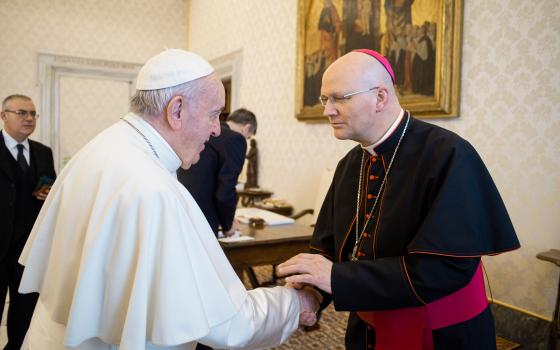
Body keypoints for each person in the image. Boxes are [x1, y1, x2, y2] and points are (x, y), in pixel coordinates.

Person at [17, 49, 320, 350]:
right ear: (176, 111)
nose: (217, 130)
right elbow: (228, 323)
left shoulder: (101, 147)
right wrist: (296, 301)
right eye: (213, 115)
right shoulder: (153, 190)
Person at [277, 49, 520, 349]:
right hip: (367, 330)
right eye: (325, 99)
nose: (327, 110)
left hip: (440, 335)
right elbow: (329, 250)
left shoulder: (448, 154)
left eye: (339, 98)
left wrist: (339, 279)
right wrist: (314, 293)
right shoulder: (351, 164)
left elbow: (442, 270)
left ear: (380, 97)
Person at [0, 94, 56, 350]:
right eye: (22, 113)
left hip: (29, 251)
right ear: (4, 116)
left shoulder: (44, 153)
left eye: (33, 114)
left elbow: (48, 192)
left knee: (24, 312)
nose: (29, 118)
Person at [177, 108, 257, 237]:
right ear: (246, 128)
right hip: (204, 220)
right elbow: (225, 191)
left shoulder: (203, 131)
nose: (246, 140)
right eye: (248, 137)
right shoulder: (236, 139)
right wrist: (228, 224)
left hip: (181, 210)